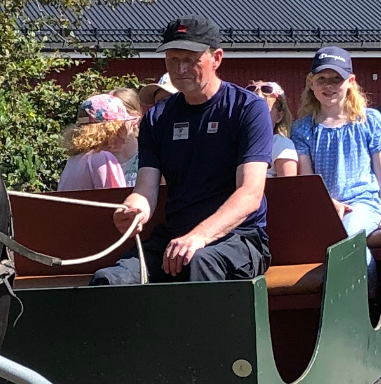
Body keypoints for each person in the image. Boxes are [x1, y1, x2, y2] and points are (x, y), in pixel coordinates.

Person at [93, 16, 273, 286]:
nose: (180, 69)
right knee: (109, 280)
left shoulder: (247, 109)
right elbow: (145, 190)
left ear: (217, 58)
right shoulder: (158, 117)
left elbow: (250, 194)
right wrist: (134, 210)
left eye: (190, 59)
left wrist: (199, 236)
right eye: (172, 59)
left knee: (201, 262)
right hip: (175, 239)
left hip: (240, 239)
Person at [290, 46, 381, 241]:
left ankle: (364, 273)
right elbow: (308, 180)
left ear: (350, 82)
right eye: (321, 79)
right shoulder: (303, 128)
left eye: (336, 79)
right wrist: (328, 204)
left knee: (346, 237)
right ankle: (366, 272)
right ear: (310, 83)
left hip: (363, 203)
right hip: (325, 206)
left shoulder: (369, 120)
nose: (328, 86)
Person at [56, 93, 137, 192]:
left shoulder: (74, 160)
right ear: (113, 129)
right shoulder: (103, 158)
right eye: (124, 124)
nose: (128, 129)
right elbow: (116, 200)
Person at [248, 80, 299, 177]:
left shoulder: (280, 144)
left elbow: (288, 185)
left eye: (263, 111)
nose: (256, 116)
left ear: (279, 116)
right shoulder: (236, 143)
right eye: (251, 110)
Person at [109, 87, 145, 185]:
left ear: (135, 119)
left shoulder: (148, 156)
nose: (108, 123)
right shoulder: (96, 159)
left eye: (115, 116)